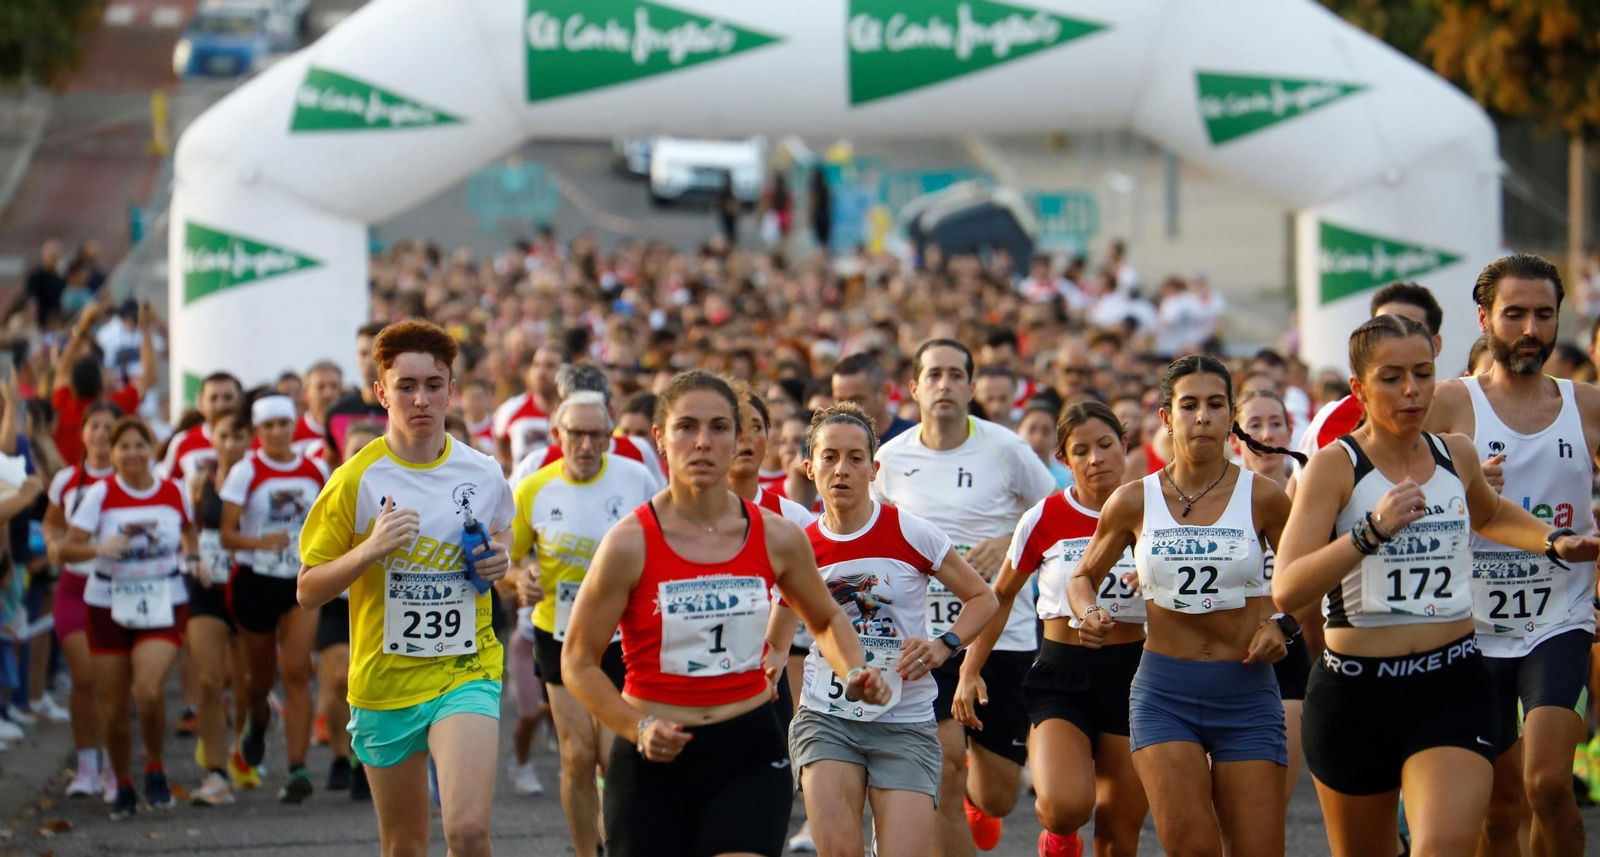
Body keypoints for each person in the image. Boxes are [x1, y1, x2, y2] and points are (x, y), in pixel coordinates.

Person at [1275, 314, 1600, 857]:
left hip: (1450, 686)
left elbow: (1491, 513)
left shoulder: (1456, 452)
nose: (1411, 390)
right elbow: (1287, 588)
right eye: (1392, 377)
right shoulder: (1334, 467)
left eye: (1423, 374)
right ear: (1359, 388)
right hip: (1355, 694)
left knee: (1445, 846)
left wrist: (1554, 542)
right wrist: (1369, 531)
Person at [559, 370, 889, 857]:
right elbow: (578, 660)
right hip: (655, 751)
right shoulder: (629, 543)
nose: (703, 442)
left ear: (737, 438)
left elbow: (825, 619)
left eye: (718, 428)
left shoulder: (777, 536)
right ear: (660, 440)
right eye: (686, 427)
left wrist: (856, 668)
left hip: (748, 750)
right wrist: (637, 728)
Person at [298, 319, 515, 857]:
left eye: (433, 385)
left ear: (451, 390)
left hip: (466, 668)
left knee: (466, 831)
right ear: (380, 392)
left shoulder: (482, 472)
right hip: (383, 680)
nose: (421, 399)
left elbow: (502, 531)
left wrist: (498, 561)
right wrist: (368, 550)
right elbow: (308, 590)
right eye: (406, 386)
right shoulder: (356, 478)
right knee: (405, 846)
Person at [1069, 355, 1299, 857]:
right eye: (1189, 405)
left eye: (1215, 405)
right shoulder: (1132, 500)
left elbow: (1310, 580)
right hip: (1164, 693)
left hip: (1247, 691)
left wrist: (1285, 626)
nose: (1202, 417)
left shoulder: (1265, 497)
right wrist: (1087, 612)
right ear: (1167, 417)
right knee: (1191, 849)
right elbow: (1083, 576)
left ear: (1230, 415)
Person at [1421, 254, 1599, 857]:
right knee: (1498, 812)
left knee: (1547, 782)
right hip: (1469, 628)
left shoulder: (1587, 406)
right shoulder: (1446, 403)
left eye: (1543, 315)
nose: (1530, 329)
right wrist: (1459, 484)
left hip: (1560, 620)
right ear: (1485, 317)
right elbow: (1386, 486)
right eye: (1515, 313)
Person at [777, 402, 996, 857]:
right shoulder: (800, 547)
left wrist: (944, 646)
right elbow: (777, 641)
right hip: (826, 717)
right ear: (809, 467)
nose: (842, 469)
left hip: (906, 719)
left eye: (856, 458)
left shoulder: (912, 533)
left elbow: (984, 598)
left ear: (874, 469)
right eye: (829, 457)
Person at [870, 339, 1057, 855]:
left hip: (1003, 634)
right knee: (944, 773)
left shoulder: (1006, 448)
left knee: (995, 796)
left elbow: (1055, 516)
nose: (945, 384)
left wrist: (1006, 543)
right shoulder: (890, 458)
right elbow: (866, 534)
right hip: (924, 639)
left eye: (956, 375)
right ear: (913, 388)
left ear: (972, 388)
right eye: (933, 375)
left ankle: (982, 800)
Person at [955, 400, 1150, 857]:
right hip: (1062, 675)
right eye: (1080, 451)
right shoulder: (1043, 517)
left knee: (1120, 830)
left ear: (1125, 445)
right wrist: (971, 669)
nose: (1095, 458)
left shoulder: (1155, 510)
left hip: (1137, 676)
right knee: (1065, 807)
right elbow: (1000, 596)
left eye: (1105, 445)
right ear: (1064, 461)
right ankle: (1060, 836)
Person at [509, 391, 657, 855]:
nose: (587, 445)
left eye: (598, 435)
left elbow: (666, 541)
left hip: (623, 636)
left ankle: (618, 841)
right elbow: (504, 564)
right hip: (561, 633)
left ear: (610, 438)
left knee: (615, 758)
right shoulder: (533, 488)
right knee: (577, 754)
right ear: (558, 435)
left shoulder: (636, 480)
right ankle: (585, 851)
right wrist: (520, 580)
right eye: (577, 434)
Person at [62, 418, 196, 820]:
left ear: (153, 449)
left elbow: (189, 533)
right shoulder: (100, 494)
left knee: (148, 691)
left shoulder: (173, 491)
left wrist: (192, 558)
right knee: (114, 709)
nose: (134, 454)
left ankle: (154, 765)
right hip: (107, 605)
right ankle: (121, 780)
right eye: (125, 447)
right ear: (113, 453)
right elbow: (68, 550)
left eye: (141, 445)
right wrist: (100, 546)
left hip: (163, 601)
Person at [221, 394, 330, 804]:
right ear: (257, 432)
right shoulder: (245, 471)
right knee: (260, 680)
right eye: (267, 427)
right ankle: (258, 719)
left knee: (298, 669)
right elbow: (227, 534)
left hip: (300, 577)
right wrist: (261, 541)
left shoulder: (314, 468)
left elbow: (329, 518)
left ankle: (297, 768)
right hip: (255, 579)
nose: (277, 433)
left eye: (283, 424)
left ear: (293, 426)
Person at [1234, 388, 1314, 798]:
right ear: (1235, 439)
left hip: (1288, 653)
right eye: (1254, 425)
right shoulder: (1217, 500)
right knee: (1220, 813)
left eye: (1275, 423)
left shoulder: (1315, 494)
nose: (1266, 435)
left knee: (1270, 808)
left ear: (1290, 429)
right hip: (1222, 657)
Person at [43, 401, 120, 800]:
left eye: (110, 427)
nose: (102, 434)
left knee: (113, 686)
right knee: (85, 678)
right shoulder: (67, 480)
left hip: (118, 591)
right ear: (83, 432)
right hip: (74, 589)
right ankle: (86, 766)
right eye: (95, 426)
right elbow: (51, 524)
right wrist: (56, 544)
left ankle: (113, 767)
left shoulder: (136, 479)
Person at [1296, 282, 1444, 467]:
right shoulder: (1332, 423)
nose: (1399, 335)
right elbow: (1298, 491)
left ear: (1435, 344)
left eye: (1412, 327)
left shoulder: (1460, 421)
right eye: (1383, 328)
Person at [185, 403, 251, 805]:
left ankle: (242, 748)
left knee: (244, 687)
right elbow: (187, 527)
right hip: (207, 589)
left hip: (246, 588)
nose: (230, 444)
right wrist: (193, 558)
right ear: (213, 439)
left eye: (239, 436)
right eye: (223, 436)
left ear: (250, 440)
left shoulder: (260, 482)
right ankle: (215, 773)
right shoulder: (199, 482)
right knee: (209, 680)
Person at [318, 419, 382, 802]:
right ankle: (340, 755)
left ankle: (364, 759)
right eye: (354, 451)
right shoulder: (332, 492)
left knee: (370, 686)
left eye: (369, 451)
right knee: (337, 677)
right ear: (342, 456)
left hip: (381, 606)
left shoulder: (401, 491)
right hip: (338, 603)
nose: (361, 458)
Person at [51, 301, 156, 466]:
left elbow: (62, 370)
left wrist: (83, 325)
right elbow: (149, 376)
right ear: (101, 385)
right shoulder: (115, 405)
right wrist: (145, 329)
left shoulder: (62, 402)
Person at [322, 321, 391, 465]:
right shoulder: (337, 412)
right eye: (363, 353)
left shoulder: (404, 409)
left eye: (376, 355)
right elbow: (331, 463)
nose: (368, 362)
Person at [162, 372, 244, 487]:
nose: (220, 405)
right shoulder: (183, 442)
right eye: (213, 398)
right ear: (201, 403)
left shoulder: (259, 441)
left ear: (241, 401)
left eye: (228, 397)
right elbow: (167, 488)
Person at [493, 344, 566, 467]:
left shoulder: (574, 413)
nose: (541, 372)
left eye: (550, 366)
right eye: (536, 365)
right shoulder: (510, 409)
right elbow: (500, 445)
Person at [831, 354, 917, 443]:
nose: (846, 409)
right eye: (840, 401)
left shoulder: (913, 438)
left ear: (884, 392)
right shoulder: (828, 440)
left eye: (855, 400)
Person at [295, 360, 344, 459]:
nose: (328, 394)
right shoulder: (291, 432)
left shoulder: (350, 430)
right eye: (320, 387)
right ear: (305, 393)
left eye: (334, 386)